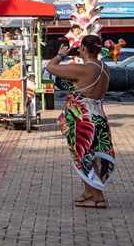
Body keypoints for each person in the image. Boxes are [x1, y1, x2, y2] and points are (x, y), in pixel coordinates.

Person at [45, 35, 116, 209]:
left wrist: (61, 55)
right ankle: (89, 192)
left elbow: (50, 67)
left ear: (83, 48)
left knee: (86, 156)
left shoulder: (84, 69)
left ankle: (98, 197)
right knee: (91, 155)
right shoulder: (104, 67)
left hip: (84, 119)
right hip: (98, 116)